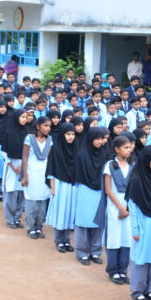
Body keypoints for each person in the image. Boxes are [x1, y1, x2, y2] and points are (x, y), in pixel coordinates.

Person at [126, 145, 151, 300]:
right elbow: (133, 207)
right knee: (139, 257)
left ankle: (150, 289)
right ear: (145, 160)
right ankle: (137, 290)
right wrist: (135, 229)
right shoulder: (136, 181)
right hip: (142, 225)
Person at [74, 126, 109, 265]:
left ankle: (95, 251)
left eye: (102, 139)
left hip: (100, 190)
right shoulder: (82, 155)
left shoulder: (105, 154)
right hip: (85, 189)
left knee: (98, 222)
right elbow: (78, 175)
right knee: (83, 222)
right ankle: (82, 252)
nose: (101, 141)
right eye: (98, 139)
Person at [103, 136, 134, 285]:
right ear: (117, 149)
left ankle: (123, 269)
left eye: (130, 147)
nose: (129, 150)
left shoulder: (132, 165)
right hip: (114, 205)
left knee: (126, 238)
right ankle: (113, 270)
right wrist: (120, 208)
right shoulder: (110, 165)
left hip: (128, 206)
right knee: (114, 238)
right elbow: (108, 190)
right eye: (125, 148)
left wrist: (126, 208)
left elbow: (134, 188)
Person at [46, 122, 77, 253]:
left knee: (69, 212)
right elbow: (51, 169)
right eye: (68, 134)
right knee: (60, 212)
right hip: (59, 184)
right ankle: (59, 240)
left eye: (73, 134)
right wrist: (52, 188)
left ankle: (67, 240)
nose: (71, 137)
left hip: (72, 185)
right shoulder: (56, 148)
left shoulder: (76, 148)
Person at [3, 109, 29, 229]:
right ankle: (10, 218)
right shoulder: (9, 131)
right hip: (11, 166)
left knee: (21, 193)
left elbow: (29, 151)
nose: (24, 119)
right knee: (11, 192)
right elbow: (4, 152)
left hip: (23, 166)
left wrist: (22, 166)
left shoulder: (27, 133)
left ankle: (17, 217)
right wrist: (13, 166)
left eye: (26, 117)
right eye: (22, 117)